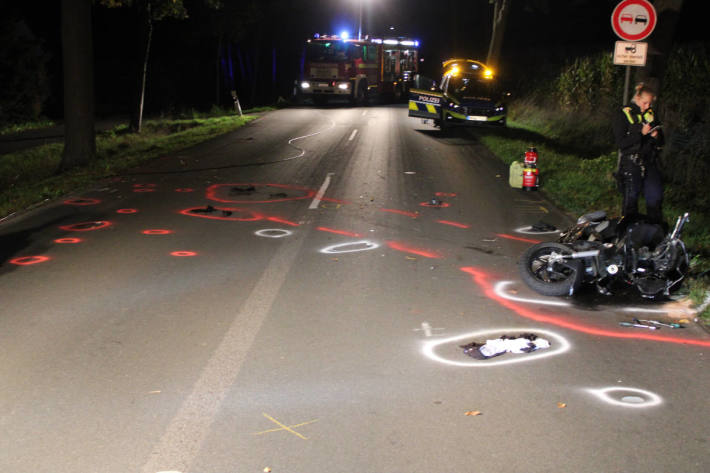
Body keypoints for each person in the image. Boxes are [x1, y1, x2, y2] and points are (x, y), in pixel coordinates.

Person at [612, 83, 665, 225]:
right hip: (631, 162)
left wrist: (656, 137)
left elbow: (661, 141)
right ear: (637, 97)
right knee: (631, 201)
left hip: (649, 162)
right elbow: (621, 143)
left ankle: (654, 235)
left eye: (650, 103)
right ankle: (628, 235)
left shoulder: (651, 115)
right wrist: (640, 134)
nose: (647, 106)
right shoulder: (623, 114)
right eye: (644, 102)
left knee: (655, 198)